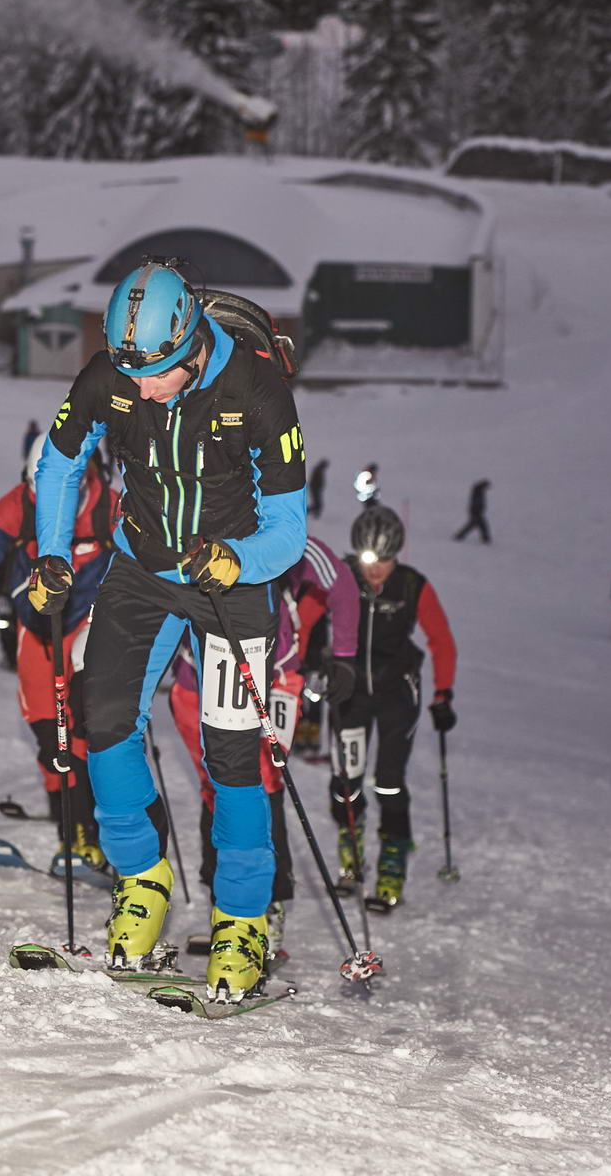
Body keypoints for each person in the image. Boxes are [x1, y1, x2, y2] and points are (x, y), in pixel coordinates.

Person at [29, 261, 306, 1001]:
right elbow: (58, 464)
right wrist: (51, 554)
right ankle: (143, 883)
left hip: (232, 581)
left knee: (233, 758)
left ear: (189, 346)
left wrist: (237, 559)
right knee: (105, 719)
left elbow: (289, 528)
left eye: (157, 375)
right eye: (132, 374)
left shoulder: (255, 388)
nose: (142, 391)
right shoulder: (112, 375)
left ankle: (243, 920)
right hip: (143, 567)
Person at [167, 534, 357, 959]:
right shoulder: (192, 523)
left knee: (262, 780)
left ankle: (265, 905)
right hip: (195, 676)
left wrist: (344, 653)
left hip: (274, 674)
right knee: (214, 783)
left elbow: (341, 583)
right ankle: (226, 906)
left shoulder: (287, 536)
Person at [0, 435, 116, 868]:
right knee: (48, 731)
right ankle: (69, 823)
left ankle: (85, 833)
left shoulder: (109, 506)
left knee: (82, 726)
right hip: (38, 625)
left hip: (91, 623)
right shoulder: (20, 502)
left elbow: (152, 558)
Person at [331, 508, 457, 909]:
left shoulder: (411, 585)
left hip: (396, 693)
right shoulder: (341, 577)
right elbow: (307, 619)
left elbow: (441, 640)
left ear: (397, 556)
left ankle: (392, 854)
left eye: (384, 561)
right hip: (350, 692)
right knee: (346, 779)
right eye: (369, 560)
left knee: (388, 778)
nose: (376, 571)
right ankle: (350, 842)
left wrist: (443, 695)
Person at [453, 479, 491, 543]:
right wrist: (478, 509)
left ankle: (459, 536)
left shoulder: (479, 490)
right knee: (480, 525)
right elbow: (477, 502)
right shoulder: (478, 491)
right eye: (487, 486)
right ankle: (485, 540)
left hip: (476, 511)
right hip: (476, 511)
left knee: (475, 525)